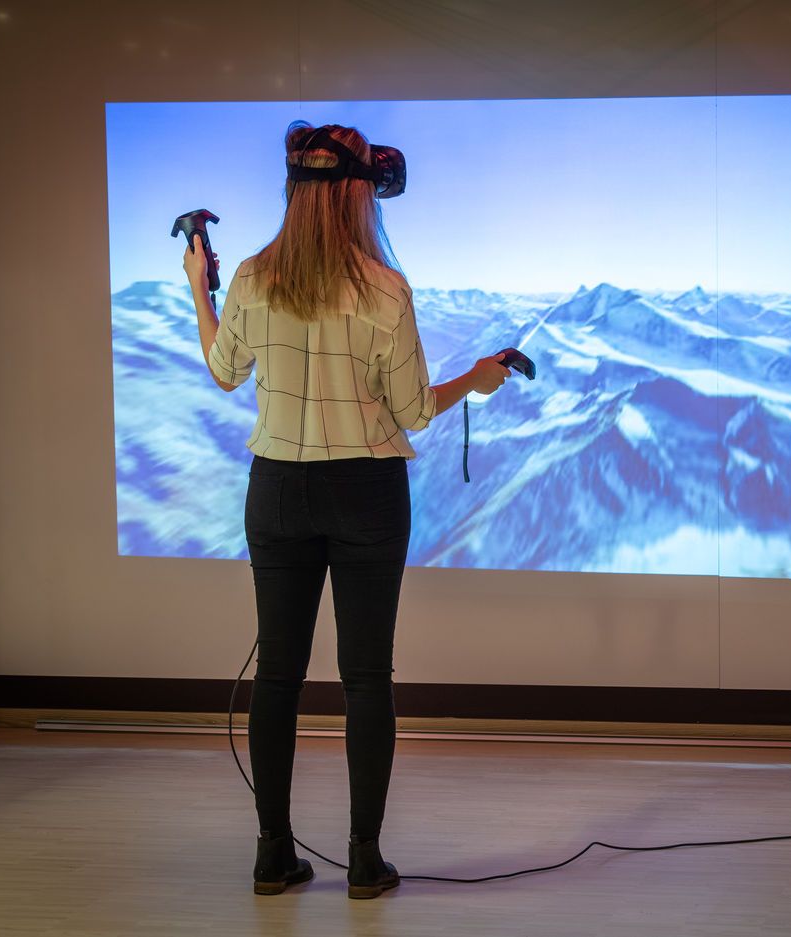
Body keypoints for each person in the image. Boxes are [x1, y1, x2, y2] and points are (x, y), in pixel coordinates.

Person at [181, 121, 510, 899]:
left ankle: (272, 855)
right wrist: (474, 378)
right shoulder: (385, 290)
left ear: (293, 191)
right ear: (362, 196)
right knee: (366, 679)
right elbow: (413, 411)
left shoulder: (255, 278)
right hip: (366, 491)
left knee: (278, 679)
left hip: (278, 490)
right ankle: (364, 860)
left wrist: (200, 285)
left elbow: (225, 372)